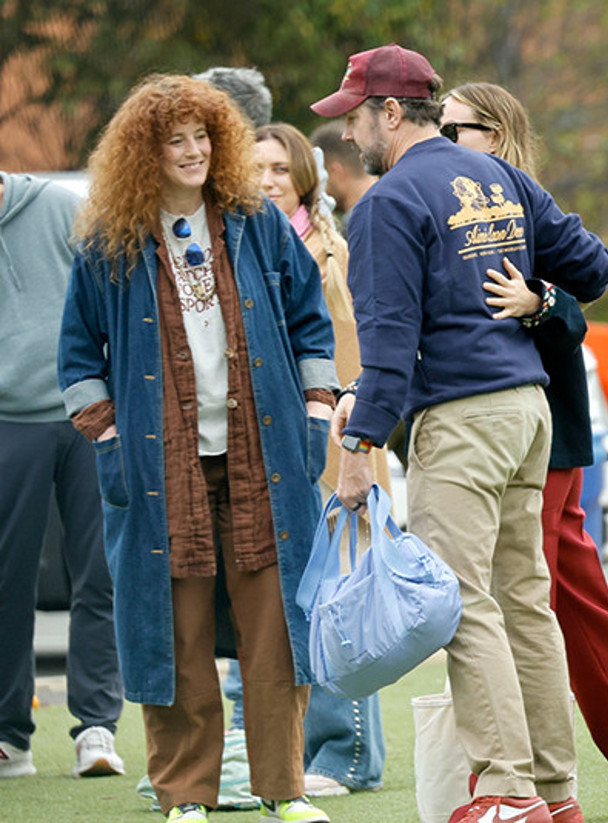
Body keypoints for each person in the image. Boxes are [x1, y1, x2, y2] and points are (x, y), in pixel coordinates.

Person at [312, 44, 608, 823]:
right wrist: (538, 296)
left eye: (353, 116)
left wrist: (358, 450)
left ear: (389, 112)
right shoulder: (500, 177)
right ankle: (555, 794)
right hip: (529, 412)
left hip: (462, 420)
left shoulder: (385, 204)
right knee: (525, 605)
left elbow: (387, 347)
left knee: (466, 604)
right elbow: (595, 267)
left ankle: (508, 791)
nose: (346, 133)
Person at [57, 74, 338, 823]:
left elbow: (311, 323)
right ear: (143, 152)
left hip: (265, 454)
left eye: (202, 136)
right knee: (173, 631)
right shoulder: (110, 239)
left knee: (275, 627)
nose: (192, 151)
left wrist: (316, 417)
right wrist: (111, 440)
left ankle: (284, 788)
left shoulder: (256, 221)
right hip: (158, 466)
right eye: (174, 140)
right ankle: (186, 794)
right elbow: (78, 357)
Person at [440, 81, 608, 818]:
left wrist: (541, 300)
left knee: (519, 605)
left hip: (543, 438)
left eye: (454, 127)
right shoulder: (452, 198)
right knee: (576, 605)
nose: (441, 139)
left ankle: (523, 790)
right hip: (523, 436)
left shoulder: (514, 198)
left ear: (494, 133)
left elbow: (593, 277)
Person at [254, 122, 388, 797]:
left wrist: (352, 457)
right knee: (286, 606)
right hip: (272, 458)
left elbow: (350, 363)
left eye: (281, 170)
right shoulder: (248, 247)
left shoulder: (326, 254)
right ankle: (282, 750)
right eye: (257, 169)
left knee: (338, 601)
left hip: (332, 455)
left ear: (306, 180)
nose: (267, 182)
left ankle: (350, 753)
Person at [0, 171, 125, 780]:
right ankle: (9, 736)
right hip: (7, 422)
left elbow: (113, 292)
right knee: (7, 581)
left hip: (87, 413)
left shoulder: (57, 206)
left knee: (99, 572)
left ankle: (97, 727)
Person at [308, 120, 377, 239]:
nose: (314, 188)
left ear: (335, 171)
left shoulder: (355, 224)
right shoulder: (394, 203)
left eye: (316, 177)